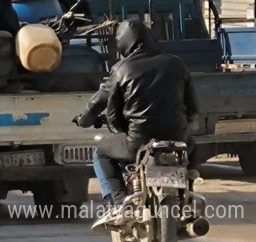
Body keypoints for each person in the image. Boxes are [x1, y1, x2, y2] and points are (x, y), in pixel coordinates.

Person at [76, 19, 199, 231]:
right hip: (177, 140)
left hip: (138, 142)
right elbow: (193, 107)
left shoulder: (121, 69)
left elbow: (113, 114)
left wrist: (121, 129)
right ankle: (187, 196)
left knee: (101, 153)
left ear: (123, 42)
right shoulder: (176, 63)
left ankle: (118, 204)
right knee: (192, 149)